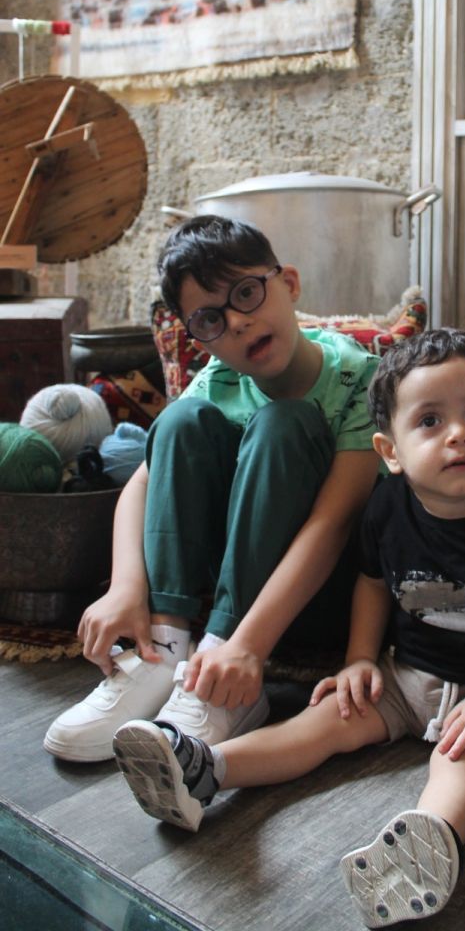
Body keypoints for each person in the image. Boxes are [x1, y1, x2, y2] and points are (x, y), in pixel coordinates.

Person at [111, 328, 465, 926]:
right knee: (320, 724)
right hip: (403, 675)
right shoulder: (386, 508)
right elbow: (371, 581)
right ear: (390, 450)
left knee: (464, 763)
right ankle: (203, 769)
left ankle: (428, 847)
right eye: (430, 421)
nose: (458, 433)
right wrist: (360, 659)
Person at [44, 215, 381, 762]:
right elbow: (139, 490)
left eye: (247, 293)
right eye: (210, 319)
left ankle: (227, 678)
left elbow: (334, 525)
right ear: (196, 336)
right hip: (228, 587)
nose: (239, 323)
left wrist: (244, 645)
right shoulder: (219, 380)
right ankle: (165, 650)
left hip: (323, 596)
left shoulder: (360, 377)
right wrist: (125, 588)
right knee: (179, 421)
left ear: (289, 284)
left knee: (284, 422)